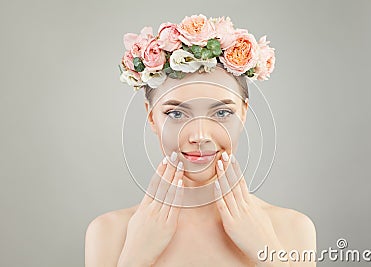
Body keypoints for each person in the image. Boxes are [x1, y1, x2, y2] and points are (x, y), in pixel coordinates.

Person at [85, 15, 316, 267]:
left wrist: (265, 250)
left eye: (222, 113)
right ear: (151, 118)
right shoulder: (109, 232)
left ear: (244, 113)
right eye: (176, 114)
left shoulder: (292, 229)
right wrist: (135, 258)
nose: (199, 136)